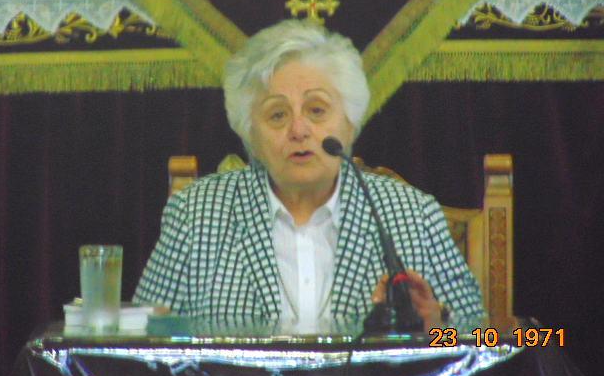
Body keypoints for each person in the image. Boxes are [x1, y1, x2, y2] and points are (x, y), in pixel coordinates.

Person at [133, 19, 484, 327]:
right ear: (250, 134)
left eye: (316, 110)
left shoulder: (413, 215)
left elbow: (482, 338)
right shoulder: (196, 214)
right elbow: (142, 340)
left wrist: (437, 327)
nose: (299, 130)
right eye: (277, 115)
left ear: (349, 123)